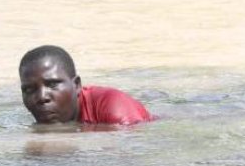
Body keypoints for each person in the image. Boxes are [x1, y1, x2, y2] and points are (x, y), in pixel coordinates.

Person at [19, 45, 152, 125]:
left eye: (52, 84)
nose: (42, 97)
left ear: (76, 85)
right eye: (30, 89)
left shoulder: (114, 107)